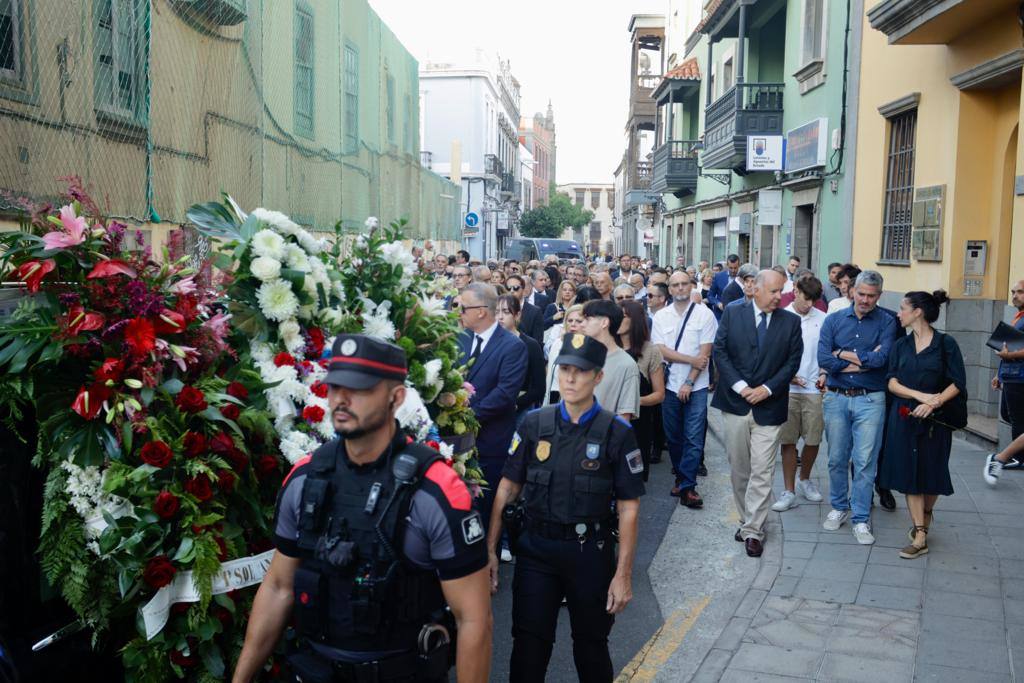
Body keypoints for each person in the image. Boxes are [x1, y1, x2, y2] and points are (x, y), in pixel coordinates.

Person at [232, 335, 492, 683]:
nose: (341, 398)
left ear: (395, 397)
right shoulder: (306, 478)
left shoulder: (435, 491)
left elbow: (473, 618)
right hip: (315, 671)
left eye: (359, 389)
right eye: (335, 386)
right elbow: (279, 586)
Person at [486, 333, 645, 683]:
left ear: (598, 377)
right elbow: (508, 488)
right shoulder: (533, 424)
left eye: (581, 371)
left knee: (590, 646)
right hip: (536, 552)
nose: (571, 378)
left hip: (589, 554)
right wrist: (491, 551)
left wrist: (623, 575)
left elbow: (628, 509)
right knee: (528, 647)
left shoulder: (616, 432)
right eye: (565, 369)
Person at [712, 270, 802, 557]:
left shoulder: (791, 321)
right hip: (736, 404)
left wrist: (767, 389)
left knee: (762, 470)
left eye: (781, 291)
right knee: (740, 470)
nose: (779, 297)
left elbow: (792, 362)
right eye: (774, 291)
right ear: (755, 289)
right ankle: (745, 518)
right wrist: (740, 387)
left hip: (770, 406)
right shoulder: (733, 313)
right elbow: (720, 352)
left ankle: (754, 530)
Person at [876, 290, 964, 559]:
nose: (898, 313)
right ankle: (920, 533)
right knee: (910, 474)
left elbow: (957, 383)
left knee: (932, 474)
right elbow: (891, 381)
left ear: (918, 312)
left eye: (903, 308)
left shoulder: (946, 344)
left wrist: (934, 402)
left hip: (935, 421)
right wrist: (919, 396)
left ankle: (925, 514)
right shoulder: (900, 345)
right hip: (904, 418)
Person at [817, 271, 898, 545]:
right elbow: (824, 359)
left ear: (879, 296)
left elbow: (882, 360)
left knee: (865, 462)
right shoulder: (833, 320)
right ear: (852, 291)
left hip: (870, 399)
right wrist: (861, 359)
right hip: (836, 397)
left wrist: (842, 353)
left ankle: (861, 518)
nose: (864, 300)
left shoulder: (888, 323)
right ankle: (839, 507)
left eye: (871, 296)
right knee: (837, 458)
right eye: (861, 294)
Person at [458, 283, 528, 535]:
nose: (459, 312)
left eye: (463, 307)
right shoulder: (460, 339)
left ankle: (490, 565)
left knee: (487, 514)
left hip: (489, 443)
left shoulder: (511, 346)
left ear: (480, 311)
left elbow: (504, 394)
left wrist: (465, 416)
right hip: (457, 443)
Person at [652, 270, 717, 508]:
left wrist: (690, 381)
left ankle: (688, 486)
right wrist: (690, 361)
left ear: (691, 286)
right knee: (674, 437)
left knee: (694, 436)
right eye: (675, 285)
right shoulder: (661, 317)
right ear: (669, 289)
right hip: (669, 384)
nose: (680, 288)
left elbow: (705, 353)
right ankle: (680, 477)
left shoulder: (705, 315)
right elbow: (661, 350)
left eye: (684, 284)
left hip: (697, 385)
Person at [772, 276, 827, 512]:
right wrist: (787, 375)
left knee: (813, 439)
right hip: (788, 388)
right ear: (795, 291)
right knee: (788, 440)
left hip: (814, 387)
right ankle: (788, 490)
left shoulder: (823, 319)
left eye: (813, 300)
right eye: (805, 299)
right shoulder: (781, 316)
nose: (808, 305)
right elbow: (773, 353)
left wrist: (824, 373)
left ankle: (804, 478)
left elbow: (826, 351)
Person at [619, 300, 665, 482]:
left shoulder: (650, 351)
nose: (617, 320)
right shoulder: (605, 348)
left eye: (622, 316)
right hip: (608, 420)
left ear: (635, 320)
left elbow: (659, 394)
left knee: (632, 478)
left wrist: (631, 402)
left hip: (638, 424)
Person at [986, 278, 1024, 478]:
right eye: (1013, 292)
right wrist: (998, 374)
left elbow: (1013, 351)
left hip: (1020, 377)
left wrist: (1009, 356)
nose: (1014, 296)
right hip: (1010, 374)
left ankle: (1019, 458)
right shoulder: (1019, 317)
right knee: (1008, 414)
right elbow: (1009, 345)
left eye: (1019, 292)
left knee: (1017, 417)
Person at [581, 299, 641, 422]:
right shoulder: (579, 355)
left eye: (588, 319)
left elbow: (624, 417)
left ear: (604, 323)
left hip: (602, 438)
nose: (582, 324)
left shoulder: (627, 365)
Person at [496, 295, 546, 424]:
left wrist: (517, 403)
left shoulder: (531, 345)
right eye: (496, 312)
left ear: (517, 315)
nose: (500, 317)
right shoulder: (488, 343)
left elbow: (539, 387)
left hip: (521, 410)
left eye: (506, 312)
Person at [544, 304, 586, 399]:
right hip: (552, 396)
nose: (573, 324)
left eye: (578, 321)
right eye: (570, 320)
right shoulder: (557, 343)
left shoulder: (589, 347)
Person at [506, 274, 545, 348]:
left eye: (516, 288)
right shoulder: (498, 310)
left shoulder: (535, 311)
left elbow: (538, 342)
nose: (511, 291)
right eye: (508, 288)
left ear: (523, 289)